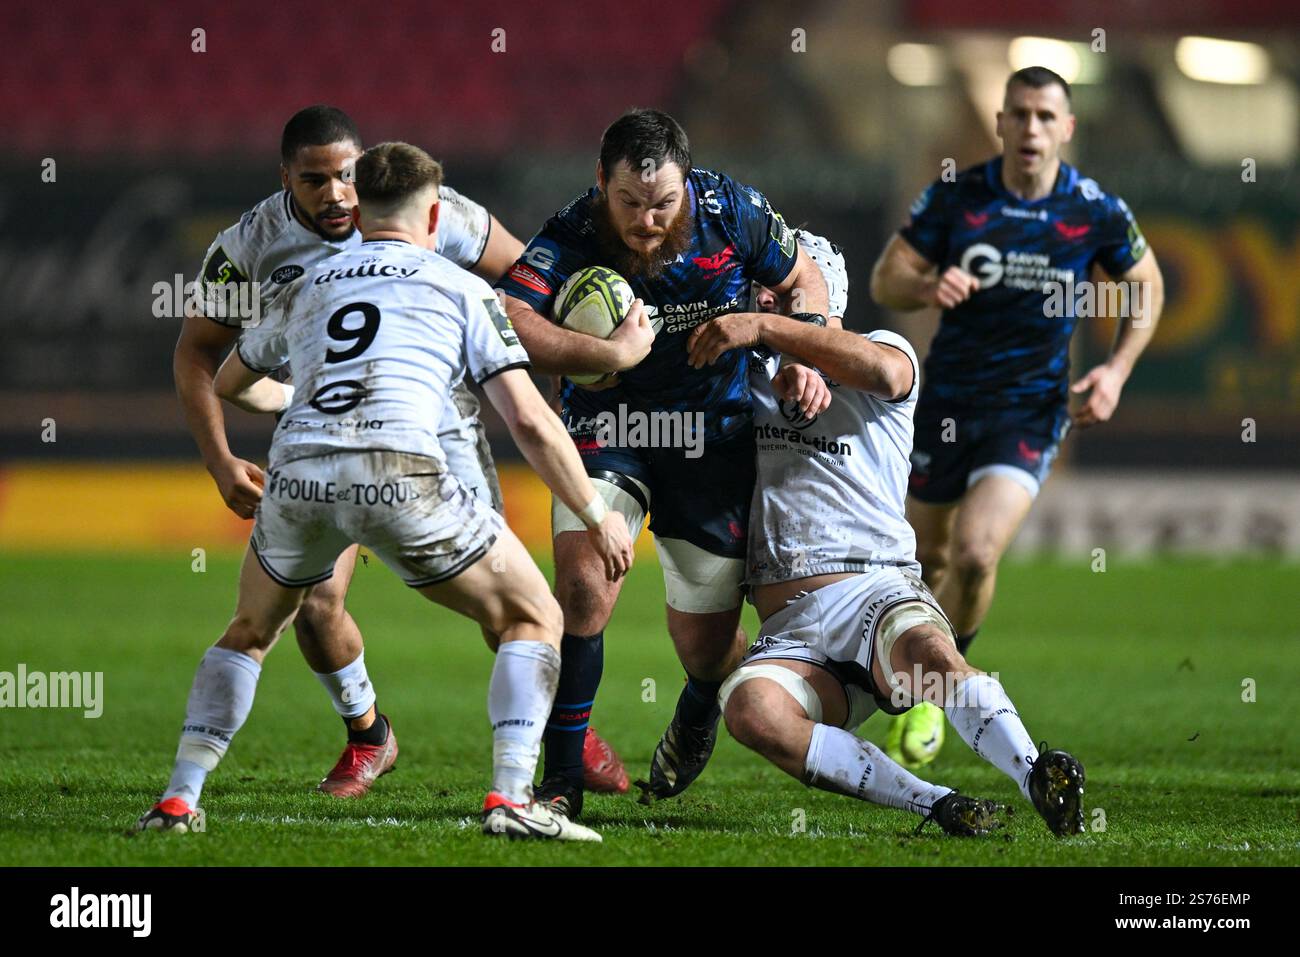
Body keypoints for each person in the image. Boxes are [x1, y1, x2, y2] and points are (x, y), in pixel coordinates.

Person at [135, 142, 634, 841]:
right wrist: (594, 513)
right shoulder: (461, 287)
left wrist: (299, 397)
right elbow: (527, 418)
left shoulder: (305, 284)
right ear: (436, 216)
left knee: (250, 630)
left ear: (360, 210)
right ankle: (513, 798)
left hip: (299, 471)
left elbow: (228, 382)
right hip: (401, 471)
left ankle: (179, 799)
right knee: (533, 615)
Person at [688, 233, 1086, 836]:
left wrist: (772, 333)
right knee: (750, 711)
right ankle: (940, 805)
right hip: (788, 629)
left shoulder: (883, 349)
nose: (765, 297)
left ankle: (1036, 773)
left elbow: (881, 371)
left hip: (873, 589)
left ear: (824, 296)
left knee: (931, 656)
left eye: (784, 287)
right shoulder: (745, 379)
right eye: (762, 288)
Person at [496, 109, 829, 818]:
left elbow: (806, 281)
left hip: (712, 437)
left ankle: (702, 700)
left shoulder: (732, 208)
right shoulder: (573, 231)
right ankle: (560, 779)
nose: (647, 220)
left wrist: (802, 349)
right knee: (584, 587)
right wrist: (598, 356)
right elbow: (511, 316)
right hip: (607, 425)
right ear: (600, 185)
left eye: (663, 204)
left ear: (688, 184)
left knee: (706, 649)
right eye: (630, 203)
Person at [869, 66, 1164, 767]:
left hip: (1029, 414)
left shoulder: (1093, 209)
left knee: (974, 554)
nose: (1031, 128)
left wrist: (1117, 371)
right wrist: (928, 281)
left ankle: (932, 695)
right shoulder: (958, 198)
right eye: (1019, 114)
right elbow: (887, 278)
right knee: (923, 558)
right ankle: (906, 668)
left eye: (1044, 116)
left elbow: (1146, 287)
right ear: (1000, 123)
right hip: (945, 408)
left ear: (1067, 127)